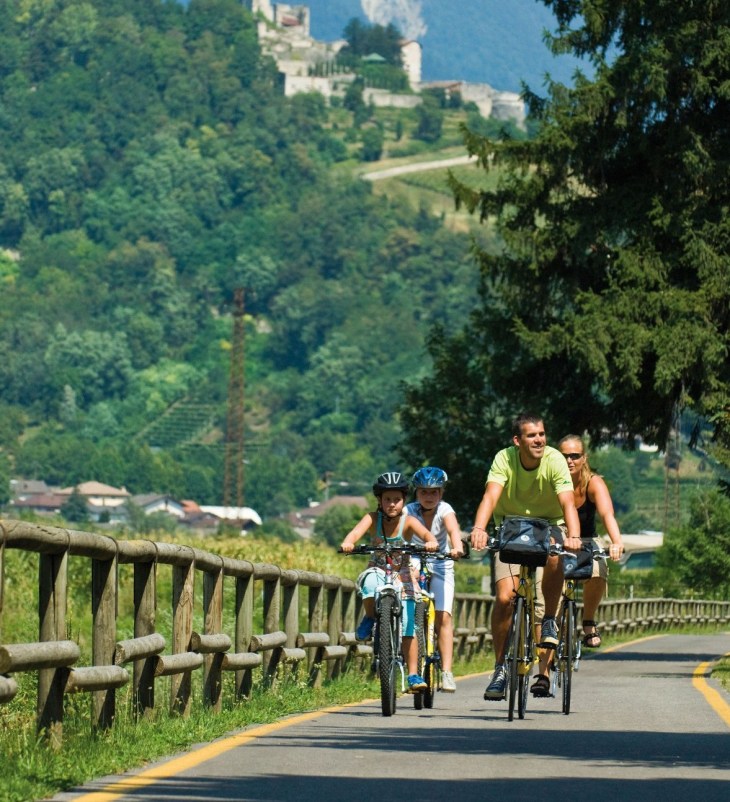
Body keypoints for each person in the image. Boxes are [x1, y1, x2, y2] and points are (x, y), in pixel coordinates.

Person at [470, 413, 581, 700]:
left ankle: (549, 622)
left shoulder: (555, 460)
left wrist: (574, 536)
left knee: (555, 558)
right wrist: (480, 529)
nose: (539, 440)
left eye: (542, 434)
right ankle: (500, 670)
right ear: (517, 441)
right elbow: (490, 497)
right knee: (506, 598)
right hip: (511, 527)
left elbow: (568, 502)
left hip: (550, 525)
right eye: (532, 436)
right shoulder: (504, 459)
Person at [340, 471, 439, 693]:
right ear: (379, 500)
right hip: (377, 568)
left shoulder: (409, 521)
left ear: (404, 500)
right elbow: (355, 533)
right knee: (368, 585)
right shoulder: (372, 519)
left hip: (402, 572)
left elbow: (427, 535)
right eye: (387, 499)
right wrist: (348, 543)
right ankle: (371, 616)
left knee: (408, 623)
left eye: (397, 499)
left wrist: (431, 543)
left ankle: (413, 674)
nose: (392, 504)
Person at [557, 434, 624, 647]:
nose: (569, 461)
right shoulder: (551, 480)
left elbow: (607, 515)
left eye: (575, 456)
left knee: (598, 570)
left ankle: (588, 620)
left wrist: (616, 541)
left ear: (584, 458)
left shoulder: (593, 483)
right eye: (564, 456)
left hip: (586, 539)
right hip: (557, 537)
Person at [406, 466, 464, 693]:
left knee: (443, 616)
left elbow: (453, 530)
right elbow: (404, 536)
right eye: (423, 492)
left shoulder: (445, 509)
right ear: (416, 493)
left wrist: (457, 547)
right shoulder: (409, 510)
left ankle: (447, 672)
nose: (429, 497)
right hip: (414, 560)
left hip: (441, 561)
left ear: (441, 493)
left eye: (434, 492)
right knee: (409, 609)